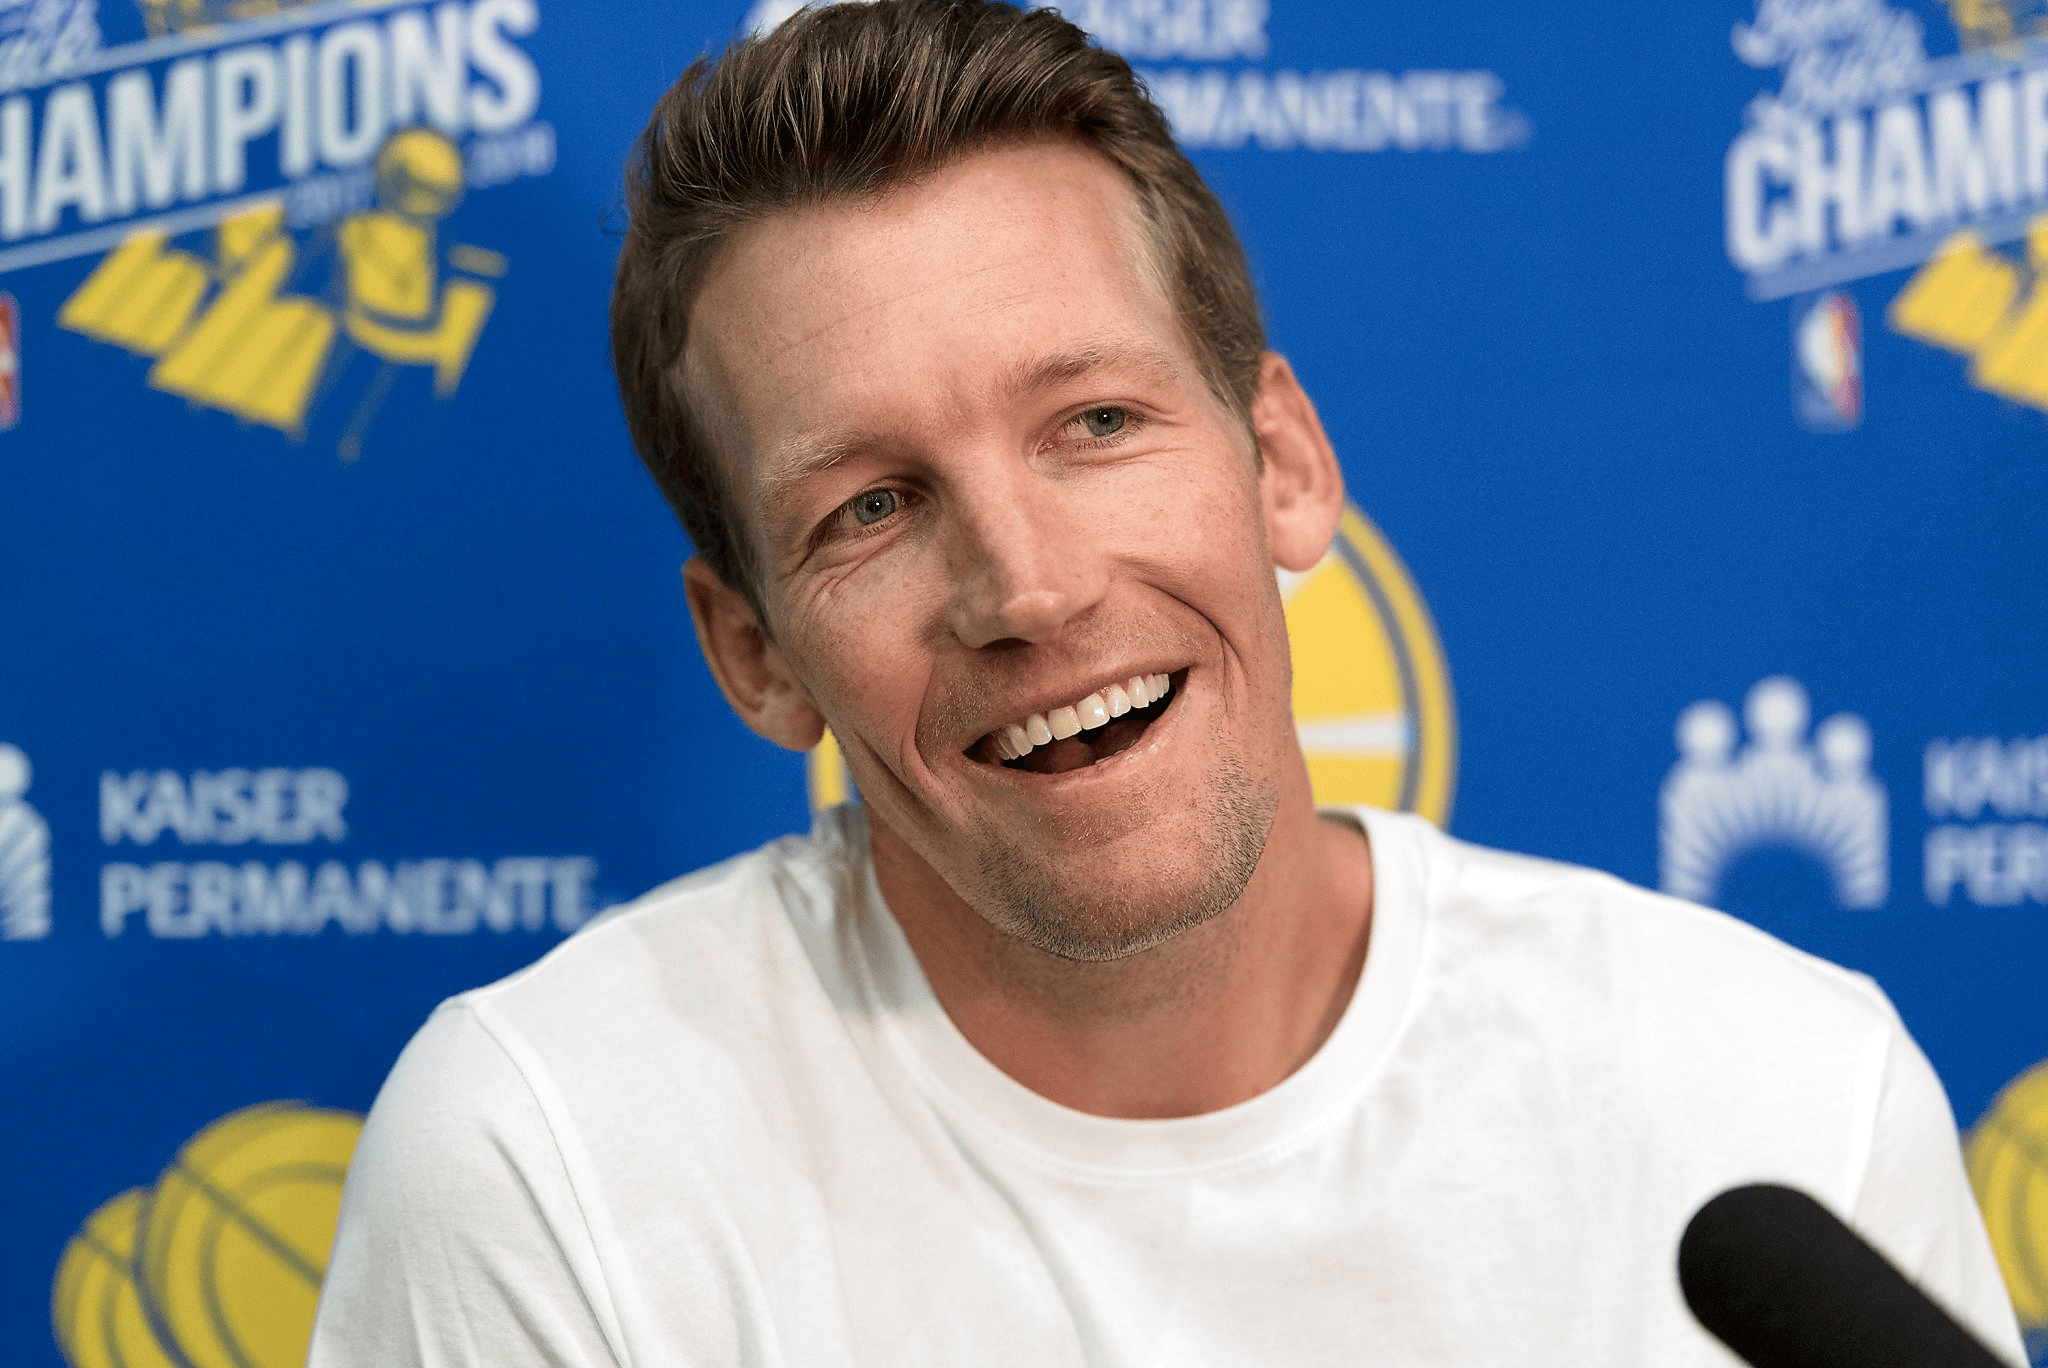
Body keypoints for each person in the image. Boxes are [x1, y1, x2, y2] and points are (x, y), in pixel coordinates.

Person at [307, 2, 2026, 1363]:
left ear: (1282, 461)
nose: (1031, 587)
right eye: (872, 508)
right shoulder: (549, 1163)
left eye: (1096, 422)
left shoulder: (1779, 1095)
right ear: (755, 653)